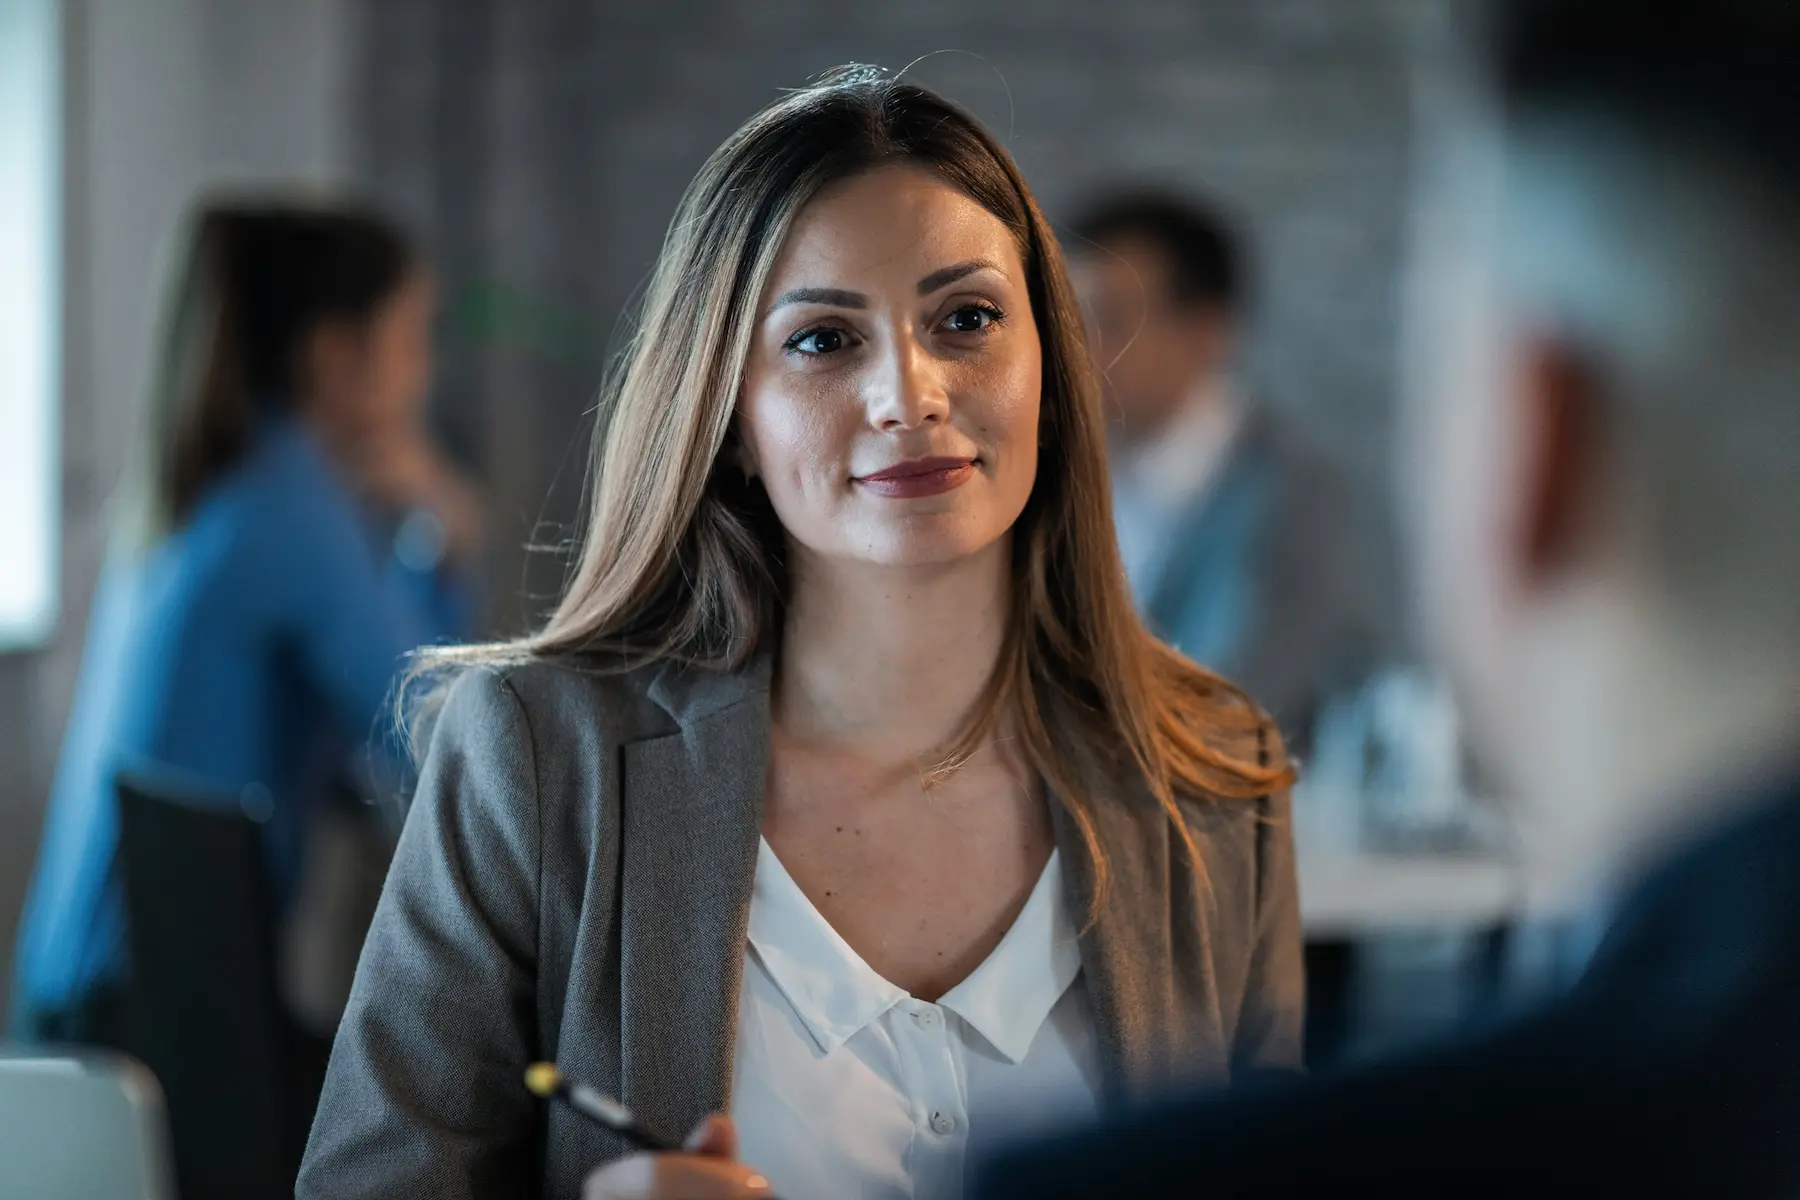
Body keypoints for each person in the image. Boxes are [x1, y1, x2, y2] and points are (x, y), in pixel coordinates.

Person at [296, 66, 1303, 1200]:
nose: (909, 395)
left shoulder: (1216, 776)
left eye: (966, 318)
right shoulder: (537, 756)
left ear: (1050, 375)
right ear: (731, 419)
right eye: (824, 341)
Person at [976, 0, 1800, 1195]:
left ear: (1538, 441)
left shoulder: (1158, 1184)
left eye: (1102, 315)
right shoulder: (1061, 491)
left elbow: (1238, 695)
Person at [10, 198, 483, 1049]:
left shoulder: (221, 484)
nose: (425, 375)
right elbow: (437, 749)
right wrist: (446, 538)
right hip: (148, 1016)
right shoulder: (291, 504)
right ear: (336, 356)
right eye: (414, 337)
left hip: (88, 997)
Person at [1067, 193, 1389, 751]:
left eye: (1107, 320)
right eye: (1062, 320)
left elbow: (1242, 703)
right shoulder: (1054, 476)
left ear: (1208, 330)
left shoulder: (1298, 498)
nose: (1075, 351)